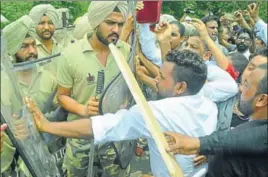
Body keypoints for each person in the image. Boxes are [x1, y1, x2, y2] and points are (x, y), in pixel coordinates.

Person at [27, 50, 218, 177]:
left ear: (180, 87)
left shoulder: (156, 113)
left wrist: (47, 126)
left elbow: (99, 126)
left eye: (161, 76)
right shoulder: (210, 106)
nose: (156, 79)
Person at [56, 1, 131, 177]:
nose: (116, 30)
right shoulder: (71, 55)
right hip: (80, 137)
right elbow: (62, 96)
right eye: (110, 23)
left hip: (114, 136)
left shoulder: (125, 51)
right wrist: (84, 109)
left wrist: (122, 105)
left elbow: (129, 90)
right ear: (96, 22)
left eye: (120, 24)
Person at [165, 62, 268, 177]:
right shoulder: (238, 141)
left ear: (261, 100)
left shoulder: (236, 155)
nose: (240, 89)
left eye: (247, 85)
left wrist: (199, 144)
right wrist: (211, 151)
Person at [29, 4, 62, 75]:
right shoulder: (29, 51)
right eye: (41, 23)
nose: (46, 27)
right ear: (33, 24)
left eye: (50, 23)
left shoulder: (61, 47)